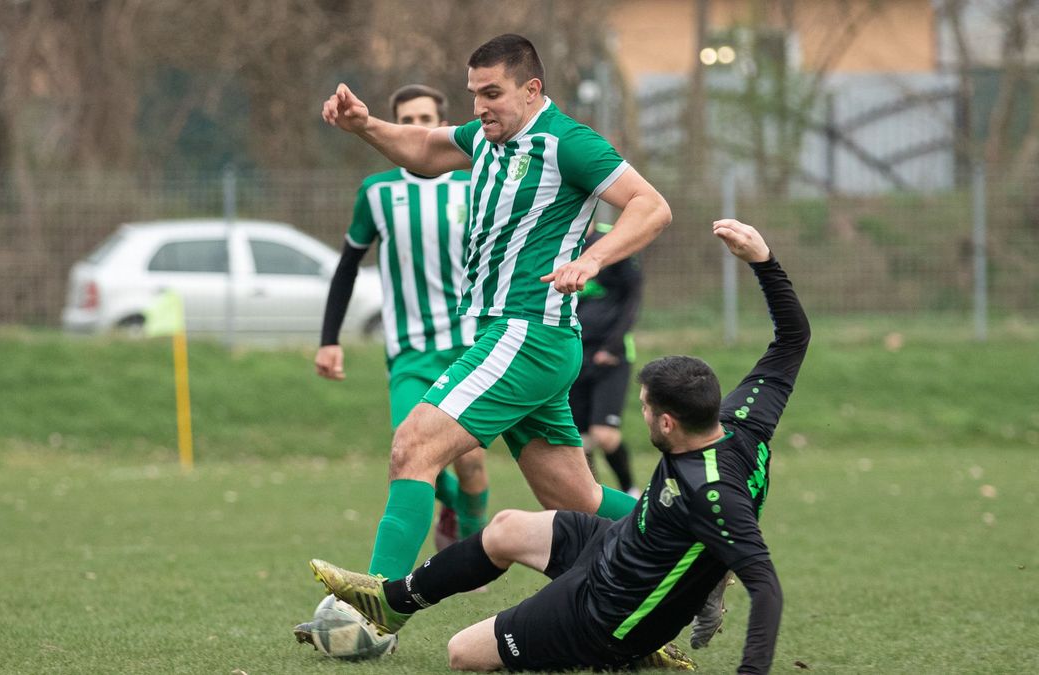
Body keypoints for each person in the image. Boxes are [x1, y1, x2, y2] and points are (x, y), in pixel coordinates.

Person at [310, 219, 810, 674]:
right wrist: (763, 260)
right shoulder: (744, 421)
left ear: (666, 421)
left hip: (607, 609)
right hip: (615, 546)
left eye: (641, 407)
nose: (638, 414)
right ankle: (392, 600)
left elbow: (765, 587)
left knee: (462, 653)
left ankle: (627, 653)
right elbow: (792, 338)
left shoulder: (714, 492)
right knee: (506, 528)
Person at [318, 33, 671, 586]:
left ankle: (372, 613)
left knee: (413, 445)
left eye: (492, 93)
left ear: (532, 90)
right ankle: (697, 547)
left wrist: (593, 259)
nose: (480, 106)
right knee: (575, 497)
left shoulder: (566, 142)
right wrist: (364, 124)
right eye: (473, 93)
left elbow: (652, 206)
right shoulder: (485, 138)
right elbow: (425, 150)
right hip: (523, 339)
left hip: (527, 333)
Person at [313, 84, 489, 554]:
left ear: (442, 123)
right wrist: (329, 339)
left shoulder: (473, 183)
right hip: (410, 351)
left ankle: (470, 543)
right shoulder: (377, 192)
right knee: (408, 450)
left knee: (470, 465)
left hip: (471, 348)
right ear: (393, 125)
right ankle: (443, 536)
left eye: (424, 118)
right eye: (406, 120)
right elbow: (347, 266)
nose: (416, 128)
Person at [569, 221, 644, 497]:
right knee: (579, 441)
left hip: (610, 355)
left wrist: (613, 346)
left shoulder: (612, 239)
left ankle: (631, 491)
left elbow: (634, 296)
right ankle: (592, 502)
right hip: (573, 353)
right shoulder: (559, 241)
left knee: (605, 435)